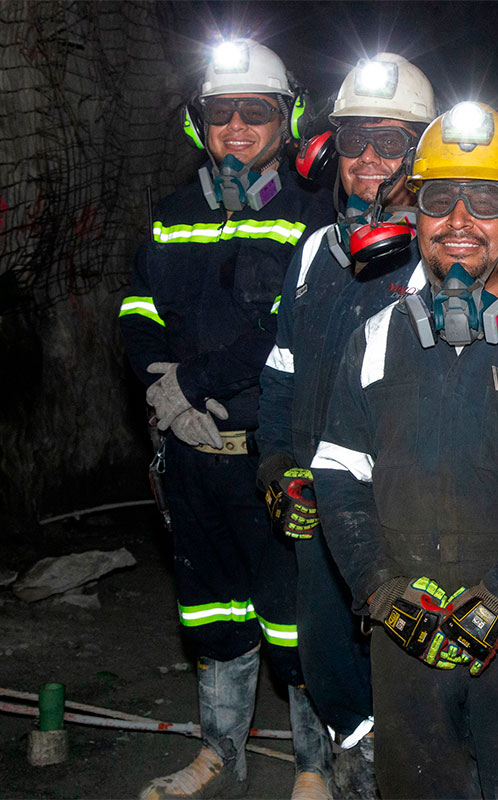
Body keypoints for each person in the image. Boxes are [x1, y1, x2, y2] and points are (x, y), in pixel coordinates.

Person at [309, 101, 498, 798]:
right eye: (438, 199)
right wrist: (380, 589)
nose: (458, 221)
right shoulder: (380, 334)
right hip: (403, 632)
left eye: (486, 200)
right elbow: (337, 471)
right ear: (413, 214)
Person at [118, 38, 334, 800]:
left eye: (255, 111)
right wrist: (162, 395)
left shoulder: (315, 219)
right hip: (191, 457)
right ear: (198, 121)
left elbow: (290, 327)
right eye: (221, 112)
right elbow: (138, 310)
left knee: (294, 617)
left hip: (273, 457)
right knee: (211, 610)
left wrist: (192, 384)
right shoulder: (173, 214)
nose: (236, 126)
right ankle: (219, 755)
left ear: (287, 121)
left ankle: (315, 766)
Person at [255, 52, 438, 791]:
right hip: (318, 517)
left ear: (422, 155)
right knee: (331, 673)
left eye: (390, 143)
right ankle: (351, 766)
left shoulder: (446, 258)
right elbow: (280, 378)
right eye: (355, 140)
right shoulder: (311, 257)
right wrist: (274, 465)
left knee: (413, 689)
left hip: (404, 521)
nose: (368, 160)